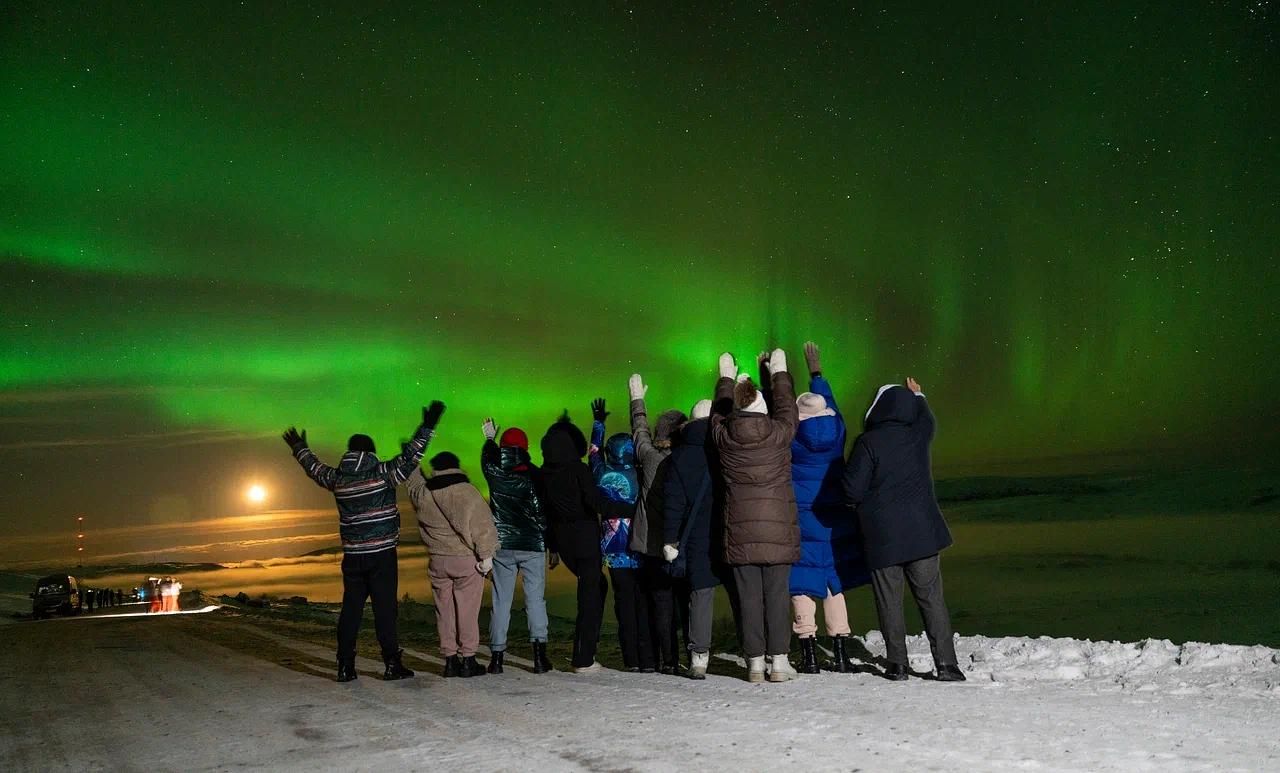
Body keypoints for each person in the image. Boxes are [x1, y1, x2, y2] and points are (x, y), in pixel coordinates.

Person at [282, 400, 444, 683]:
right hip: (382, 555)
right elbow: (410, 457)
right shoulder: (382, 474)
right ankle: (392, 665)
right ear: (370, 452)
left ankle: (345, 666)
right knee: (385, 611)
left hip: (353, 556)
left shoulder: (338, 479)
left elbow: (314, 468)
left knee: (351, 610)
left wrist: (299, 448)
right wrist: (428, 426)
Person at [843, 379, 965, 682]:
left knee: (889, 602)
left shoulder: (868, 443)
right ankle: (947, 665)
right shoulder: (917, 435)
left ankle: (897, 665)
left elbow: (851, 490)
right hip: (923, 535)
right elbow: (928, 420)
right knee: (932, 600)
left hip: (883, 538)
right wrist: (919, 395)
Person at [711, 350, 801, 683]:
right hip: (778, 528)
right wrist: (778, 371)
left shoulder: (724, 438)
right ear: (763, 408)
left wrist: (726, 378)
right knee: (777, 595)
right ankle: (779, 662)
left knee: (748, 598)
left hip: (740, 532)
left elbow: (718, 415)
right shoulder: (779, 434)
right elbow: (788, 408)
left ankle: (754, 664)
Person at [788, 342, 870, 673]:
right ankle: (839, 652)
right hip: (834, 517)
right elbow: (831, 404)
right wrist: (816, 373)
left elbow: (778, 415)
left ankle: (808, 652)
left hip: (803, 517)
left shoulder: (792, 435)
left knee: (801, 581)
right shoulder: (838, 431)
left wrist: (773, 375)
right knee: (832, 582)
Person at [540, 412, 636, 673]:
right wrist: (630, 511)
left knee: (595, 587)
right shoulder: (578, 470)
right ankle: (583, 659)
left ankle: (585, 651)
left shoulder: (544, 474)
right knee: (590, 596)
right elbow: (596, 503)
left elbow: (546, 513)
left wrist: (554, 547)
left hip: (563, 540)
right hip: (585, 539)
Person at [408, 451, 499, 678]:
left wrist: (412, 456)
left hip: (438, 560)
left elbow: (412, 480)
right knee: (467, 610)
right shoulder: (468, 492)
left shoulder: (423, 493)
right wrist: (486, 558)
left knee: (444, 610)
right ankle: (468, 659)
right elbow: (483, 526)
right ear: (456, 466)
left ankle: (450, 660)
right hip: (465, 560)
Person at [480, 419, 556, 674]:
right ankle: (539, 658)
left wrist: (489, 440)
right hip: (532, 544)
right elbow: (541, 512)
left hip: (503, 545)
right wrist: (549, 541)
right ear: (525, 447)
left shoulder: (494, 472)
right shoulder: (534, 474)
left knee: (501, 601)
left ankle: (497, 658)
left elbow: (486, 460)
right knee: (535, 600)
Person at [627, 374, 688, 674]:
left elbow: (639, 432)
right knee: (687, 600)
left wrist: (637, 400)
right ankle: (694, 653)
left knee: (661, 604)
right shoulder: (688, 460)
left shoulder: (649, 457)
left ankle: (668, 660)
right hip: (683, 542)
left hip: (651, 544)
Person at [588, 398, 654, 672]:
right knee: (643, 603)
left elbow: (593, 453)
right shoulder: (640, 475)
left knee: (624, 604)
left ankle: (631, 660)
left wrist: (598, 424)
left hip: (614, 551)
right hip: (640, 545)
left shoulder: (601, 474)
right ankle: (649, 658)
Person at [661, 398, 721, 679]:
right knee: (743, 591)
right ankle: (757, 654)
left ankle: (699, 657)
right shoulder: (728, 448)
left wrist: (670, 539)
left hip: (695, 534)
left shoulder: (679, 457)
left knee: (701, 593)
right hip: (729, 530)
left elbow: (673, 503)